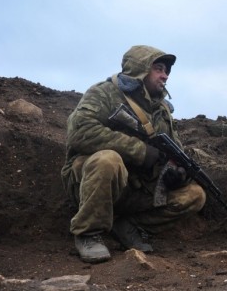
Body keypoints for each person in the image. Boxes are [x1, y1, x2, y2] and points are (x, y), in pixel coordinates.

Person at [61, 45, 206, 263]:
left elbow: (173, 149)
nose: (165, 75)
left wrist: (177, 172)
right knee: (108, 160)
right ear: (141, 69)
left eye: (166, 70)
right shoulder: (104, 93)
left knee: (195, 195)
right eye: (158, 68)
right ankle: (88, 234)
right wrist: (139, 151)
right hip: (94, 181)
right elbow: (80, 132)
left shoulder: (161, 109)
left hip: (137, 187)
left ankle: (129, 227)